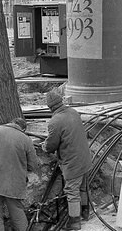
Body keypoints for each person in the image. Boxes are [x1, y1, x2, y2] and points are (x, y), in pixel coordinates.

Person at [42, 91, 92, 231]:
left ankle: (74, 222)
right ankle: (85, 212)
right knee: (82, 186)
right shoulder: (73, 112)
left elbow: (51, 144)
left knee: (72, 191)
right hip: (84, 157)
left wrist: (44, 146)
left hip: (73, 161)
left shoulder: (55, 121)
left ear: (50, 107)